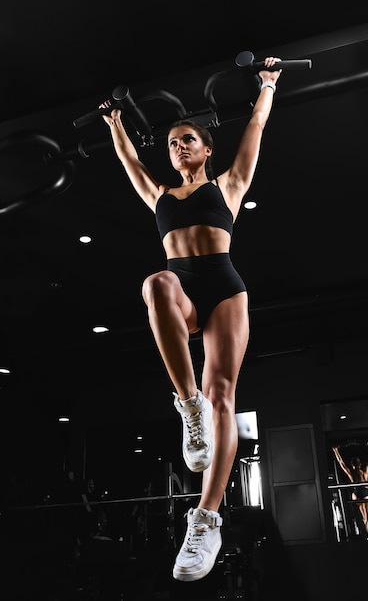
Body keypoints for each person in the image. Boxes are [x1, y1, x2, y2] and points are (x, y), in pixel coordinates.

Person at [100, 56, 282, 582]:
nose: (178, 145)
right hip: (180, 284)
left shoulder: (227, 185)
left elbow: (255, 127)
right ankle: (188, 406)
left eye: (188, 139)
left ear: (206, 149)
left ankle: (205, 519)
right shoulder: (158, 195)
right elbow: (129, 160)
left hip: (224, 286)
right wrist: (115, 123)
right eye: (173, 141)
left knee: (224, 393)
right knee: (155, 282)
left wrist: (266, 84)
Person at [332, 442, 368, 540]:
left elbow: (342, 463)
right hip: (361, 492)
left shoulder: (359, 473)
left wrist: (336, 451)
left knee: (367, 519)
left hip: (359, 492)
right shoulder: (361, 473)